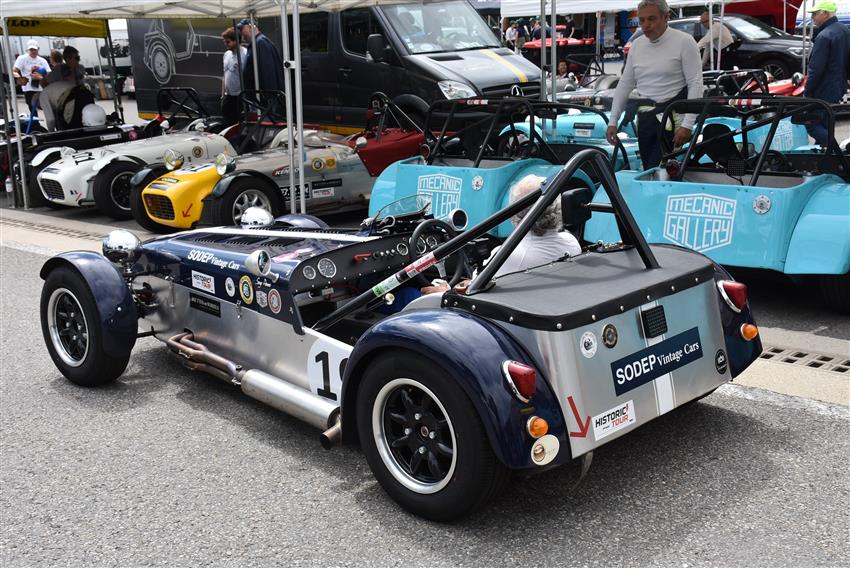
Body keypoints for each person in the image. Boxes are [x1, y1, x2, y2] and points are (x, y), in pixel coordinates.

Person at [421, 174, 581, 295]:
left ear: (515, 213)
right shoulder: (572, 243)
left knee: (412, 294)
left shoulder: (508, 255)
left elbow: (472, 292)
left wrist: (445, 291)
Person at [605, 0, 703, 170]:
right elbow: (625, 85)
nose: (646, 25)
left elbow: (695, 83)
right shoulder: (637, 45)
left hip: (674, 120)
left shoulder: (684, 42)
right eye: (642, 20)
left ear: (666, 17)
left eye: (651, 19)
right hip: (645, 120)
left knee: (664, 173)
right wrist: (613, 121)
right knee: (649, 171)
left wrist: (687, 125)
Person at [803, 1, 850, 147]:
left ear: (825, 13)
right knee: (825, 122)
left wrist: (807, 91)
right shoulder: (844, 30)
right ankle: (826, 155)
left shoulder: (824, 36)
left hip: (822, 88)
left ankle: (835, 151)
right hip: (838, 85)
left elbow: (816, 69)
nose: (812, 17)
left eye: (815, 14)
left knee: (811, 124)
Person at [220, 27, 247, 126]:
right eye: (225, 42)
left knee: (239, 125)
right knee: (226, 124)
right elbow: (224, 75)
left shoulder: (245, 54)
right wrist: (223, 96)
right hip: (228, 97)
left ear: (236, 41)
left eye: (228, 42)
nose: (226, 44)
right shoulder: (226, 54)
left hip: (240, 97)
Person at [13, 40, 50, 110]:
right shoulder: (22, 58)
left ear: (38, 49)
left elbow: (49, 73)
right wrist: (19, 79)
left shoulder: (42, 60)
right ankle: (34, 117)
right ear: (27, 50)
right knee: (32, 108)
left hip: (41, 88)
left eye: (35, 49)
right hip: (28, 88)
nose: (33, 51)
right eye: (31, 49)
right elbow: (14, 71)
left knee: (45, 108)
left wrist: (41, 77)